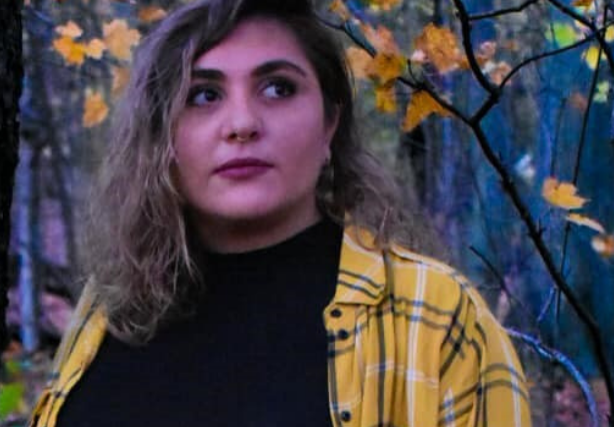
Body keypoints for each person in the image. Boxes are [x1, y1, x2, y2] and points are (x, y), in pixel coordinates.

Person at [28, 0, 532, 425]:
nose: (242, 123)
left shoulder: (437, 317)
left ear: (330, 121)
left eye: (278, 88)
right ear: (164, 134)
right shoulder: (114, 307)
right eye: (204, 95)